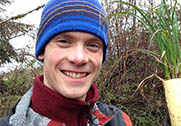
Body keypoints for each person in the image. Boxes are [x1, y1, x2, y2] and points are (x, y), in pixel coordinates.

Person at [0, 0, 132, 126]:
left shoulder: (120, 120)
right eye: (64, 41)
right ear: (42, 51)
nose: (79, 58)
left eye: (92, 45)